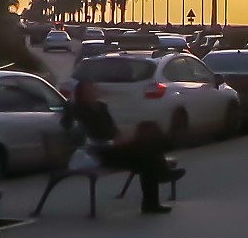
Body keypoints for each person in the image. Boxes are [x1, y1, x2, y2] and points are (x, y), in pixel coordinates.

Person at [63, 80, 176, 213]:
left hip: (113, 148)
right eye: (90, 91)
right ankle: (162, 177)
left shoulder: (101, 107)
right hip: (98, 152)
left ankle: (152, 201)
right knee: (146, 154)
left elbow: (112, 129)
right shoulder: (78, 110)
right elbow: (78, 132)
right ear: (82, 94)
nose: (94, 93)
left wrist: (121, 137)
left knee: (147, 148)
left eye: (94, 89)